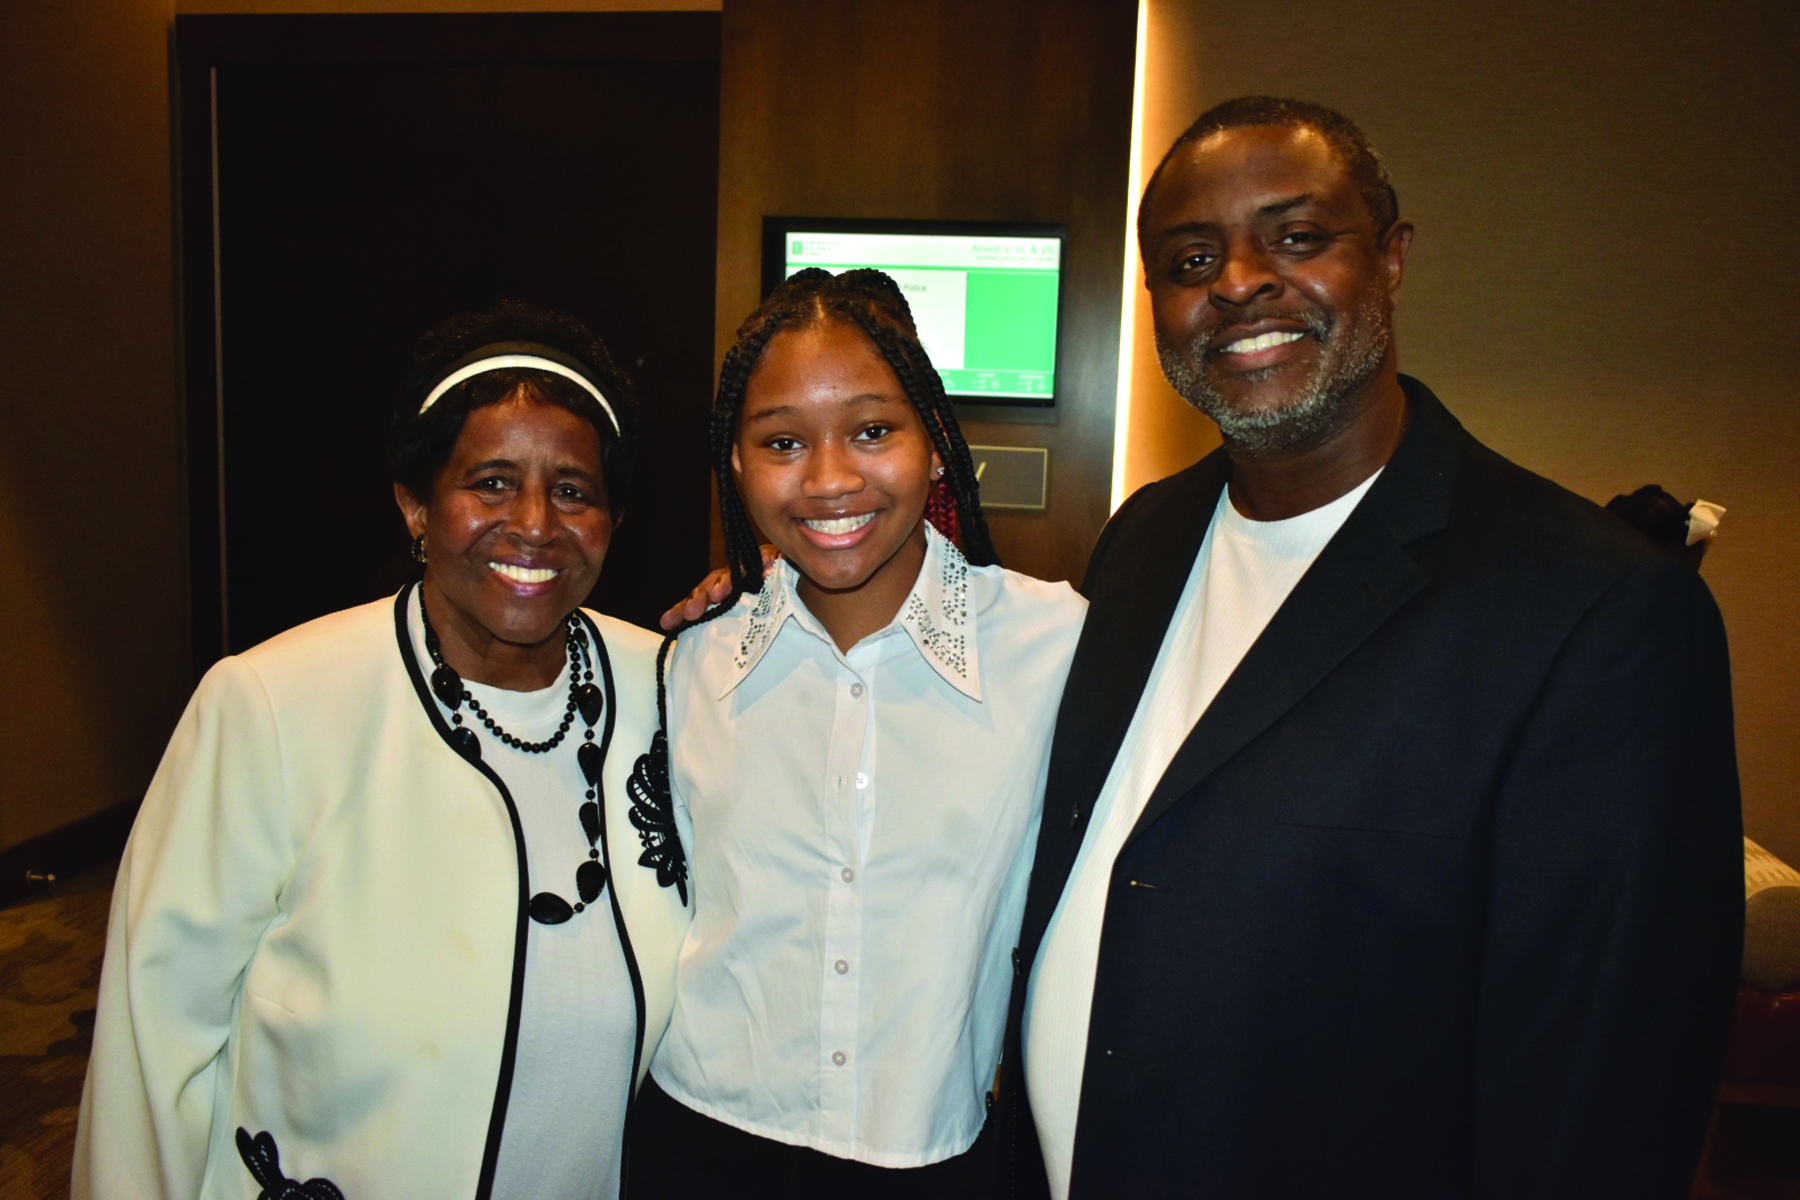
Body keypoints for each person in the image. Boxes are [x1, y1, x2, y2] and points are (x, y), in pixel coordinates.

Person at [996, 97, 1744, 1198]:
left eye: (1298, 238)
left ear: (1391, 260)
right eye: (1192, 257)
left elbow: (1606, 1090)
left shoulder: (1594, 612)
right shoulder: (1143, 537)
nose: (1240, 280)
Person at [74, 302, 690, 1199]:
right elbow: (152, 1040)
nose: (533, 524)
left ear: (612, 518)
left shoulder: (672, 691)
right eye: (488, 482)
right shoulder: (274, 704)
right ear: (415, 505)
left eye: (572, 490)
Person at [629, 268, 1085, 1198]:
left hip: (937, 1153)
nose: (830, 477)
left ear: (937, 445)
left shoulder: (1059, 648)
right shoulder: (689, 665)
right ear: (736, 463)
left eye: (873, 430)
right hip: (699, 1141)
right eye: (784, 442)